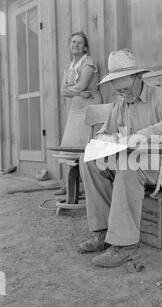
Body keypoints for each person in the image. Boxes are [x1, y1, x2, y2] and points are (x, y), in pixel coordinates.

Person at [79, 49, 162, 268]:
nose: (123, 94)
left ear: (138, 78)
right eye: (118, 91)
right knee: (91, 163)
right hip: (137, 163)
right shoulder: (121, 103)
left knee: (129, 164)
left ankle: (126, 245)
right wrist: (108, 143)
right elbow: (103, 132)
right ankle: (104, 232)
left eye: (126, 89)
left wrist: (142, 136)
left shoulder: (160, 96)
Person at [55, 32, 102, 196]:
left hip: (89, 106)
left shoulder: (88, 63)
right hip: (76, 109)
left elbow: (82, 86)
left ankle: (89, 187)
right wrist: (75, 93)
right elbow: (62, 91)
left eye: (80, 43)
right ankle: (71, 185)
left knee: (85, 147)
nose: (75, 45)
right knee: (70, 146)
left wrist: (73, 91)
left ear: (85, 47)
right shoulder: (70, 66)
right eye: (73, 42)